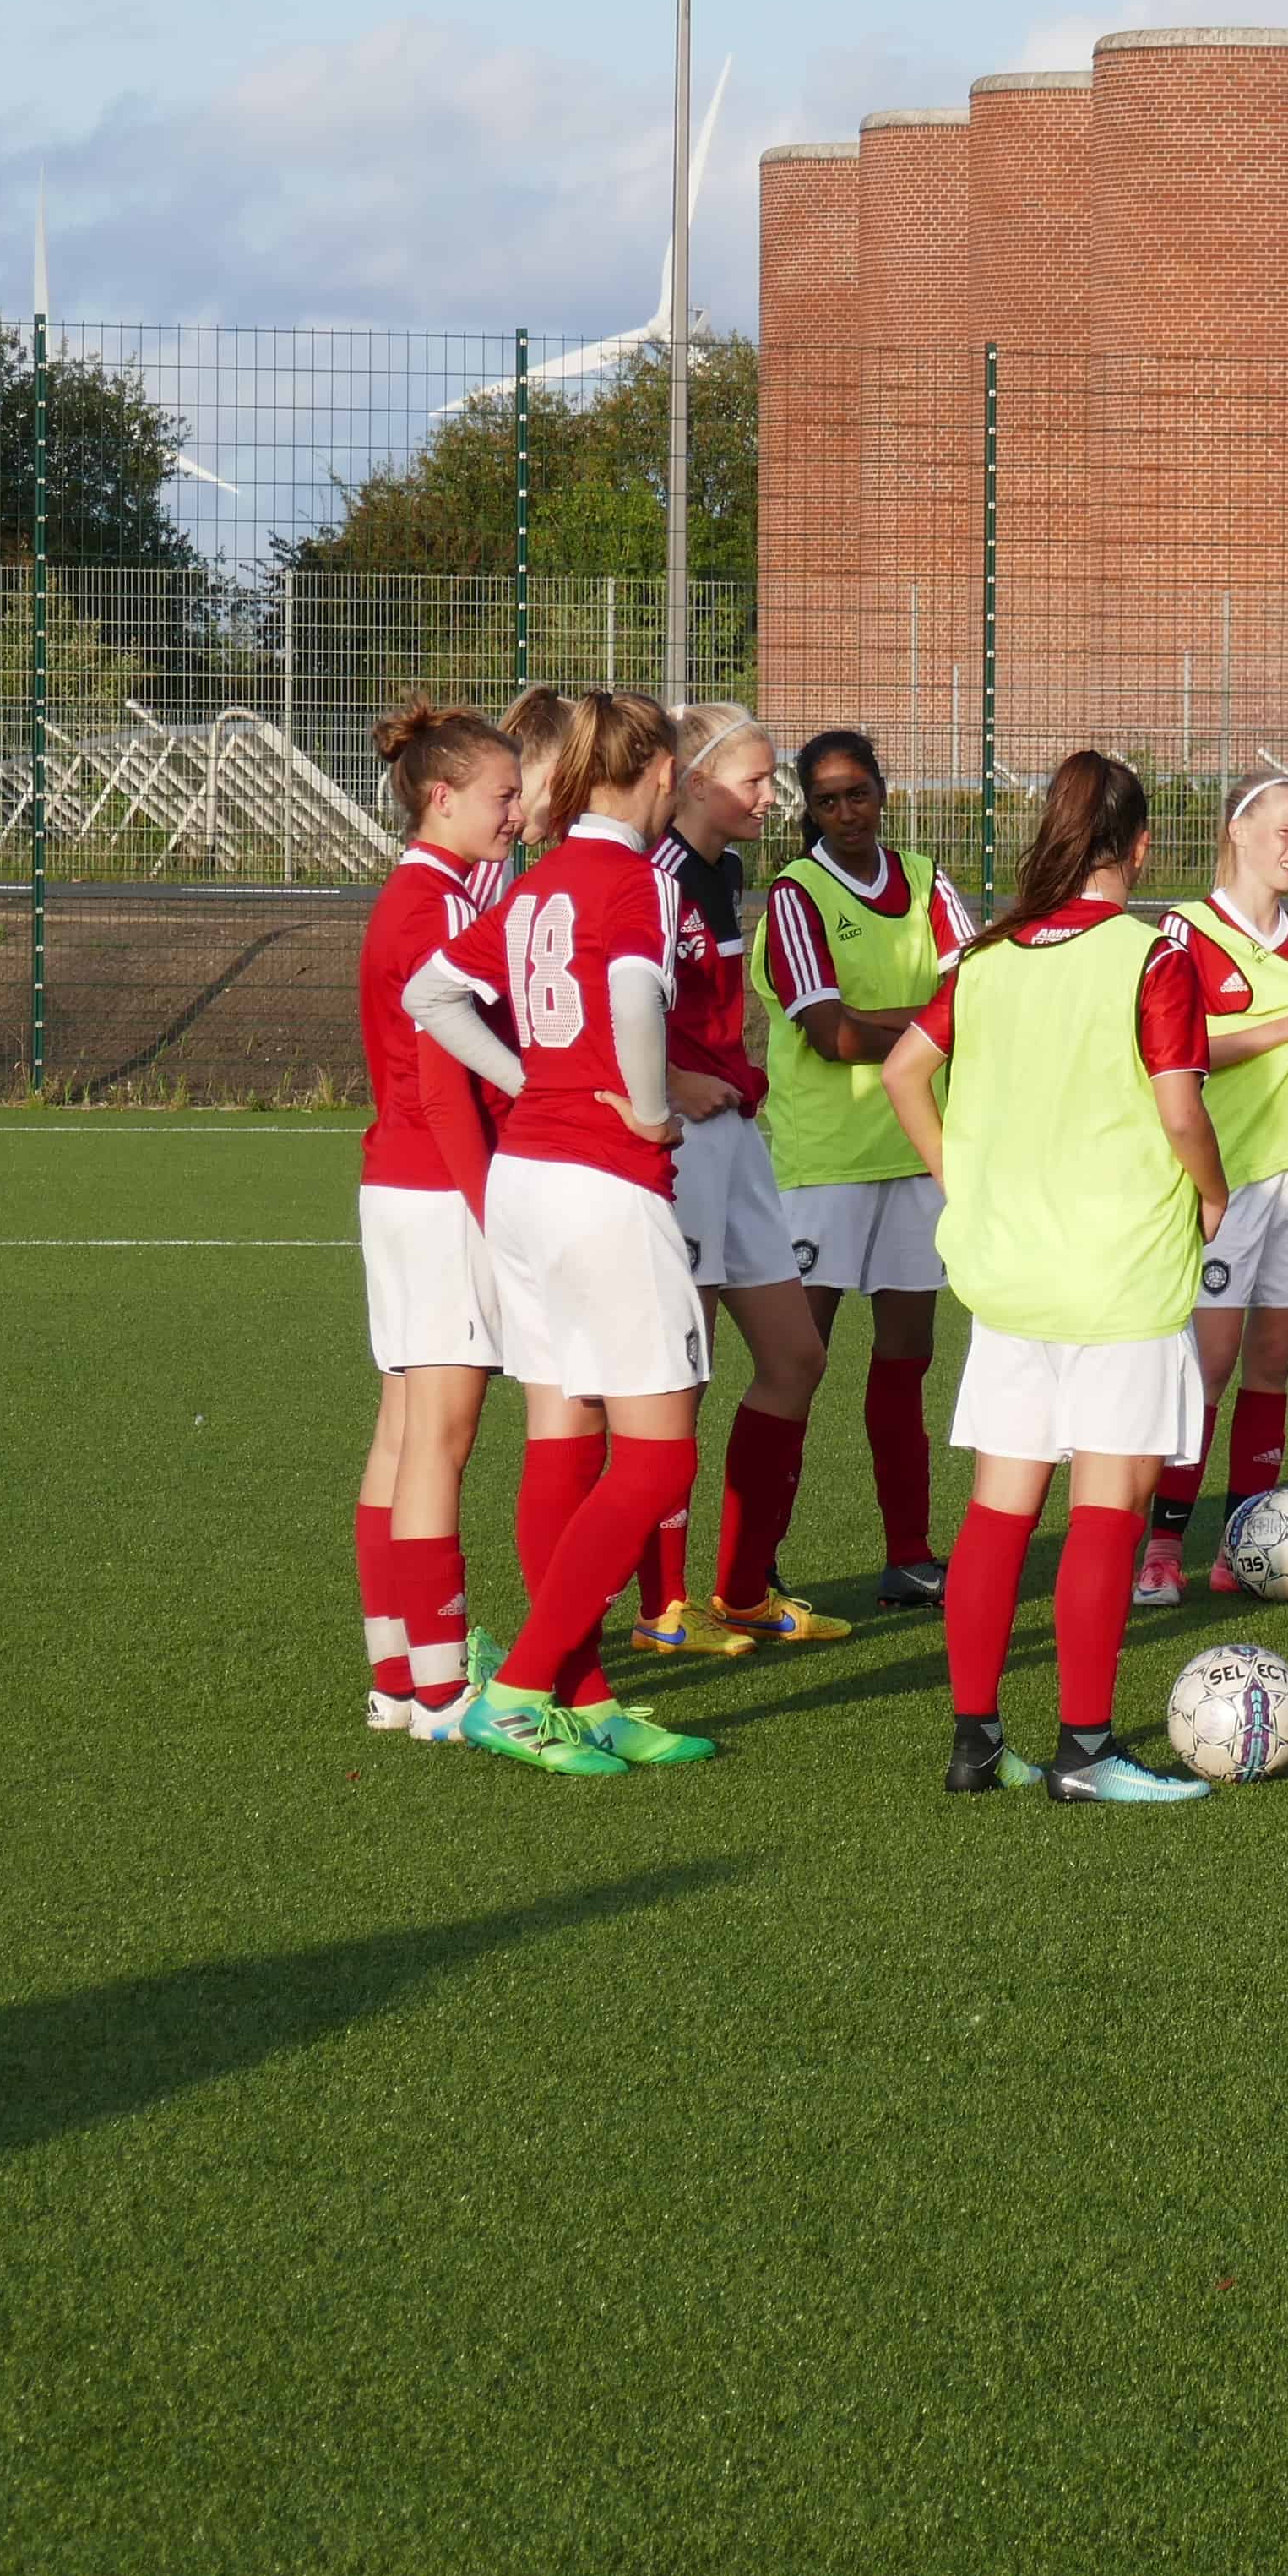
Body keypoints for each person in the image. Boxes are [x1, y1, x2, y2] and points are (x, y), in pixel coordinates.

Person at [878, 751, 1231, 1805]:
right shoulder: (1151, 958)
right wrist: (1213, 1193)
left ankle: (977, 1742)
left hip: (1011, 1274)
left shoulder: (985, 958)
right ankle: (1084, 1751)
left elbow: (903, 1071)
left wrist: (962, 1180)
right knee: (1107, 1509)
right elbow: (1179, 1108)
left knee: (998, 1510)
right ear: (1140, 846)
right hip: (1118, 1273)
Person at [402, 687, 721, 1778]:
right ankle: (527, 1681)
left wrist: (530, 1076)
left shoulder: (539, 884)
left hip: (526, 1184)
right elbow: (635, 994)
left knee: (564, 1434)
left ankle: (583, 1696)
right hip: (600, 1187)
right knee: (658, 1454)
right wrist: (643, 1102)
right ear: (663, 774)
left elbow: (435, 996)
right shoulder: (629, 877)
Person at [757, 727, 981, 1610]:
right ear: (807, 809)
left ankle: (909, 1554)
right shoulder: (795, 894)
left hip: (917, 1151)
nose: (846, 812)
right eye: (827, 799)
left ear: (884, 792)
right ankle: (756, 1568)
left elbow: (982, 992)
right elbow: (829, 1032)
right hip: (824, 1166)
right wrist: (931, 1023)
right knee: (796, 1362)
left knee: (907, 1357)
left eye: (858, 793)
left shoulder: (926, 881)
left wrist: (916, 1020)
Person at [639, 702, 845, 1654]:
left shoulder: (724, 872)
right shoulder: (654, 876)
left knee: (795, 1358)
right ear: (691, 781)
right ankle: (660, 1611)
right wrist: (671, 1080)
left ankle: (744, 1590)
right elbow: (614, 1006)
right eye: (755, 781)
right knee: (675, 1379)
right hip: (675, 1142)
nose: (774, 796)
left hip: (736, 1142)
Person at [1142, 771, 1288, 1606]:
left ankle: (1243, 1542)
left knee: (1272, 1362)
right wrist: (1279, 1026)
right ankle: (1161, 1544)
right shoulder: (1181, 931)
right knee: (1209, 1364)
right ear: (1237, 832)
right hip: (1221, 1181)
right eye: (1284, 831)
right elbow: (1173, 1054)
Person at [350, 700, 519, 1740]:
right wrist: (493, 1205)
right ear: (442, 797)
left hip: (396, 1186)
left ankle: (399, 1675)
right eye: (504, 798)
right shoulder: (439, 910)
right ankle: (444, 1690)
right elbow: (444, 1072)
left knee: (404, 1430)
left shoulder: (419, 897)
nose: (518, 816)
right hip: (442, 1186)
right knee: (439, 1442)